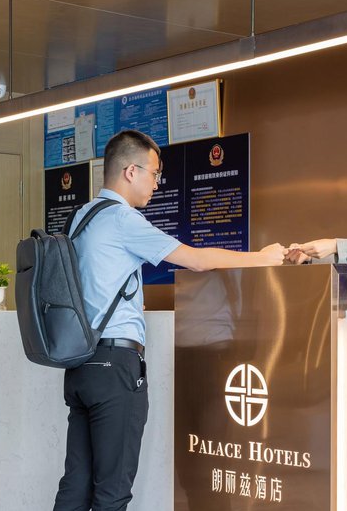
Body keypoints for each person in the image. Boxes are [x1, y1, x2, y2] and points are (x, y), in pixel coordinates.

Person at [53, 129, 287, 511]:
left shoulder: (81, 216)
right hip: (114, 367)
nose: (157, 184)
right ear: (130, 171)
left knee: (75, 486)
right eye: (154, 173)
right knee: (112, 493)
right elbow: (196, 260)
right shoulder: (123, 219)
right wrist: (261, 257)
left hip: (80, 366)